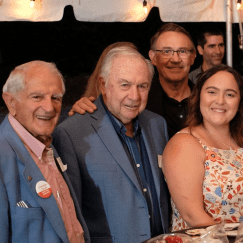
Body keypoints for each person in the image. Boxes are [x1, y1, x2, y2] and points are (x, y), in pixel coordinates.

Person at [52, 46, 170, 243]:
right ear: (103, 84)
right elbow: (70, 214)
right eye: (125, 85)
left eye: (143, 86)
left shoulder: (157, 125)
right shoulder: (71, 133)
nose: (134, 96)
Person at [163, 64, 243, 231]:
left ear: (240, 101)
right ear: (199, 96)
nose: (220, 101)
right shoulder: (185, 144)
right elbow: (193, 216)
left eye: (230, 94)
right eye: (212, 92)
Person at [0, 61, 89, 243]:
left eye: (55, 98)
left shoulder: (47, 145)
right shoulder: (1, 156)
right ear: (11, 102)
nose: (49, 108)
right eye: (37, 97)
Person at [69, 23, 196, 137]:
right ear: (153, 57)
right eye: (166, 51)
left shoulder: (208, 98)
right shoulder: (134, 100)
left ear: (193, 57)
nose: (175, 59)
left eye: (182, 51)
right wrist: (84, 111)